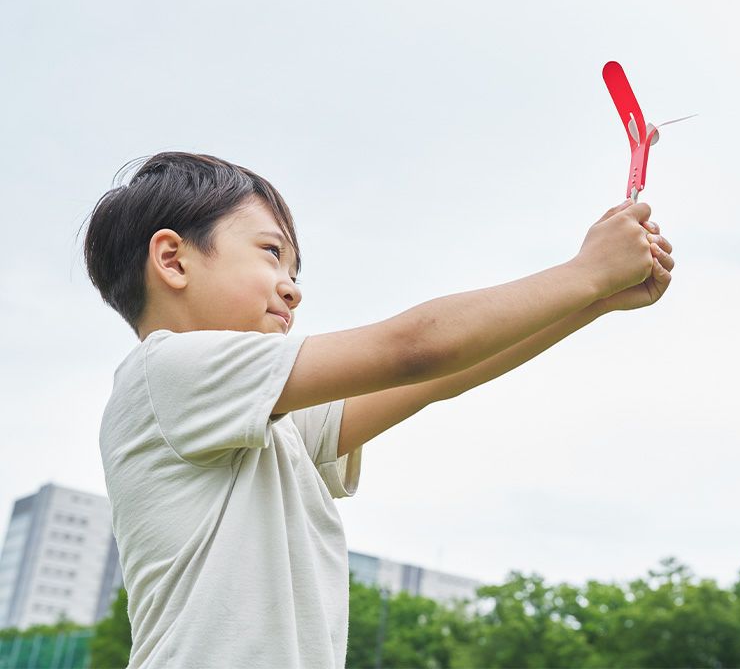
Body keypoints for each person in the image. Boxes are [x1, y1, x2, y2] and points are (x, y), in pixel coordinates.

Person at [83, 151, 674, 668]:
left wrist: (592, 298)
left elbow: (439, 375)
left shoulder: (257, 421)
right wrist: (584, 273)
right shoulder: (169, 371)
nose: (293, 288)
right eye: (271, 253)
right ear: (173, 259)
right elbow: (415, 349)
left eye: (294, 271)